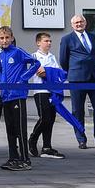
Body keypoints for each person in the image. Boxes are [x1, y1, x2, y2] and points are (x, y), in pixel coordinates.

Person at [59, 13, 95, 150]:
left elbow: (94, 55)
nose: (79, 24)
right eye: (76, 23)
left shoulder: (93, 37)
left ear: (85, 23)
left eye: (81, 22)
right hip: (77, 78)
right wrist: (72, 72)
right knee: (78, 110)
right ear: (72, 25)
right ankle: (81, 139)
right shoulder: (67, 39)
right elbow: (63, 60)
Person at [0, 26, 43, 171]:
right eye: (1, 38)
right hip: (6, 96)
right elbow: (0, 72)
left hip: (18, 96)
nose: (4, 40)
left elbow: (36, 63)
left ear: (12, 38)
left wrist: (23, 79)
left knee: (20, 128)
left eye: (7, 38)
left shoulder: (17, 52)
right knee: (10, 128)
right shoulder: (1, 56)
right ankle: (13, 157)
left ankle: (25, 159)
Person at [28, 31, 64, 159]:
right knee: (44, 118)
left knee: (51, 119)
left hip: (52, 91)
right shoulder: (34, 56)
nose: (49, 43)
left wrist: (50, 71)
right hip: (41, 91)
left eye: (50, 41)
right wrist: (50, 72)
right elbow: (39, 72)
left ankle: (47, 147)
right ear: (38, 43)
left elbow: (58, 72)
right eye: (46, 41)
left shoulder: (52, 57)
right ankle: (32, 139)